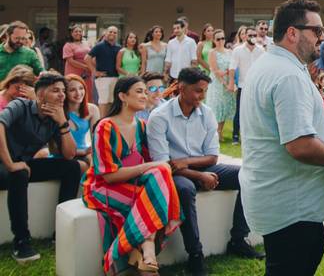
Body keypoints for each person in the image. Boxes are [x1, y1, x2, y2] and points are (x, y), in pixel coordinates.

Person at [240, 0, 324, 276]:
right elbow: (300, 145)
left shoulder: (271, 64)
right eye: (317, 30)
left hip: (279, 199)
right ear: (292, 33)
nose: (323, 37)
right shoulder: (287, 75)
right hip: (291, 207)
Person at [147, 67, 262, 275]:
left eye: (205, 91)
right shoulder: (159, 117)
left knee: (247, 175)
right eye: (198, 91)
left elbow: (212, 156)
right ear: (181, 88)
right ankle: (195, 254)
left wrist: (187, 162)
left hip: (199, 166)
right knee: (185, 190)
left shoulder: (206, 113)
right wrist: (199, 175)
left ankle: (238, 239)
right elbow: (162, 164)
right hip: (171, 174)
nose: (202, 96)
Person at [82, 76, 180, 274]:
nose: (145, 95)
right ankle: (148, 249)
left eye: (146, 91)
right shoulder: (105, 126)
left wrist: (159, 165)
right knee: (152, 199)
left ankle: (144, 255)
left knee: (161, 173)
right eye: (139, 91)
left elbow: (153, 165)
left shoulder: (142, 125)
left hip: (130, 183)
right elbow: (108, 176)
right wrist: (150, 166)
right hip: (102, 187)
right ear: (122, 96)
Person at [0, 71, 82, 263]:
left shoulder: (57, 117)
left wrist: (62, 123)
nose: (62, 95)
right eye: (55, 90)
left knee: (72, 167)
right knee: (19, 173)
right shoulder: (21, 106)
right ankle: (21, 242)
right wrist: (10, 164)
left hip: (24, 164)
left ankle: (60, 232)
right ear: (40, 94)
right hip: (4, 164)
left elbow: (69, 154)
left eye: (63, 90)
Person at [231, 26, 263, 144]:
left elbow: (263, 68)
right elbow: (232, 68)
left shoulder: (260, 50)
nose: (252, 38)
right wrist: (231, 83)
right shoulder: (238, 50)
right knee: (239, 111)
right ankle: (235, 135)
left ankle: (255, 135)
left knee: (256, 111)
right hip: (242, 85)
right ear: (245, 36)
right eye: (250, 35)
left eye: (254, 35)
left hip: (257, 86)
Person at [63, 74, 100, 173]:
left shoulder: (92, 109)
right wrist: (82, 152)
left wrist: (90, 154)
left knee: (96, 162)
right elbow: (56, 148)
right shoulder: (60, 112)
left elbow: (96, 140)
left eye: (81, 88)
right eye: (72, 90)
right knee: (83, 167)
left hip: (85, 153)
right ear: (65, 93)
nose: (78, 93)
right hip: (65, 154)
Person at [205, 29, 237, 141]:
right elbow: (214, 70)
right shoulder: (212, 52)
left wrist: (230, 82)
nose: (221, 41)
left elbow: (233, 67)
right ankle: (215, 132)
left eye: (222, 38)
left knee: (225, 107)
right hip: (217, 83)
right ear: (214, 40)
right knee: (216, 106)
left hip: (229, 81)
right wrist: (224, 82)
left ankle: (220, 131)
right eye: (218, 39)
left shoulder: (230, 52)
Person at [86, 26, 121, 113]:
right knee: (103, 101)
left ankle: (108, 120)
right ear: (106, 33)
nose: (112, 34)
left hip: (115, 77)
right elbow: (87, 58)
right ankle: (101, 121)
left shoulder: (119, 47)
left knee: (111, 101)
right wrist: (94, 72)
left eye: (115, 32)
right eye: (110, 32)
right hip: (103, 78)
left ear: (117, 35)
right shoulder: (99, 46)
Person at [63, 25, 93, 100]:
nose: (78, 33)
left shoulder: (87, 43)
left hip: (87, 73)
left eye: (80, 31)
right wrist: (85, 67)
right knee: (74, 90)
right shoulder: (68, 45)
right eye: (76, 31)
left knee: (87, 91)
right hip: (74, 71)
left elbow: (92, 55)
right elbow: (71, 61)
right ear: (71, 33)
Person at [165, 19, 198, 83]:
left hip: (187, 77)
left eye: (178, 28)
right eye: (174, 28)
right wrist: (166, 74)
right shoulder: (170, 42)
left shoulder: (191, 42)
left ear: (183, 28)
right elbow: (168, 60)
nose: (176, 30)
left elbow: (194, 60)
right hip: (173, 76)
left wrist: (192, 75)